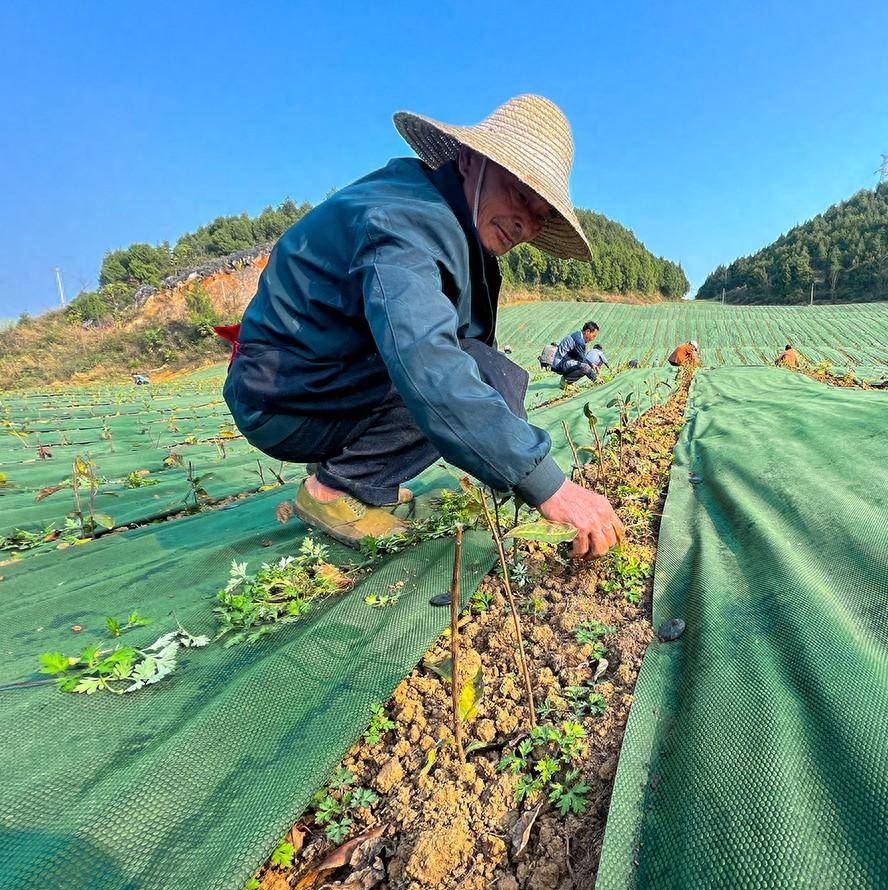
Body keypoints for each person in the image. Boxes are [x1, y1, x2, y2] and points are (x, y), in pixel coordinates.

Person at [221, 95, 624, 559]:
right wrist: (549, 486)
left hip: (318, 384)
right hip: (282, 401)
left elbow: (480, 361)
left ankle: (359, 472)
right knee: (450, 375)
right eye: (519, 195)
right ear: (472, 160)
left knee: (492, 372)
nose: (525, 223)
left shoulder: (455, 227)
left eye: (540, 214)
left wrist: (511, 463)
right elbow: (429, 364)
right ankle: (335, 488)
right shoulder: (406, 223)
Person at [551, 321, 601, 386]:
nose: (593, 339)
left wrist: (592, 365)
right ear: (587, 331)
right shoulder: (579, 340)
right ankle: (566, 381)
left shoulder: (578, 335)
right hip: (560, 364)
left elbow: (581, 357)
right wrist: (595, 377)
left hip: (562, 362)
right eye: (593, 336)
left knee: (583, 365)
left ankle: (567, 379)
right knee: (585, 367)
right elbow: (582, 360)